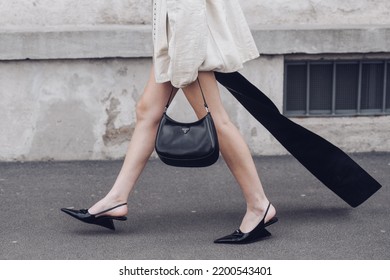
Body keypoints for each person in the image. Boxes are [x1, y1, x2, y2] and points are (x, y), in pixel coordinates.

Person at [61, 0, 278, 244]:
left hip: (189, 43)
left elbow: (188, 8)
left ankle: (260, 206)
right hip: (177, 40)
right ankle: (116, 199)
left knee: (216, 120)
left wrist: (184, 65)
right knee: (147, 111)